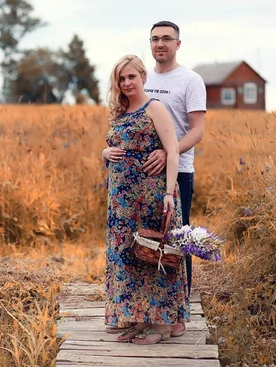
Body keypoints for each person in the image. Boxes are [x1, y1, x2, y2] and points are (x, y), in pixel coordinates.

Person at [102, 54, 190, 345]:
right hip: (122, 203)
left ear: (143, 77)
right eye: (122, 78)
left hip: (150, 196)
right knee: (130, 257)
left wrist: (168, 193)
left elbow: (173, 150)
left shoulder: (155, 108)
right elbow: (115, 146)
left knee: (155, 256)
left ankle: (163, 325)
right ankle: (139, 318)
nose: (127, 83)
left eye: (131, 77)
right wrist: (105, 154)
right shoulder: (119, 111)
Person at [142, 21, 206, 306]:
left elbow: (197, 131)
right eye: (155, 39)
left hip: (178, 171)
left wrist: (169, 153)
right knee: (145, 237)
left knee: (178, 236)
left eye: (167, 39)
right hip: (143, 172)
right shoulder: (143, 79)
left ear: (177, 44)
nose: (160, 44)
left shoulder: (190, 80)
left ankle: (181, 304)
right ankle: (150, 302)